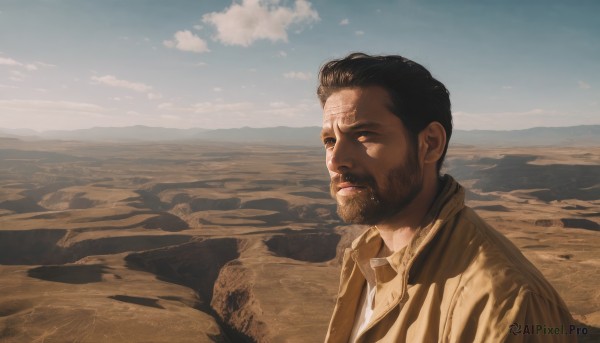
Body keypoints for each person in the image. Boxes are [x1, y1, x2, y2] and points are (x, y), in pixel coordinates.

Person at [318, 53, 576, 342]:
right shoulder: (363, 256)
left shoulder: (507, 302)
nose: (335, 160)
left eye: (364, 134)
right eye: (330, 140)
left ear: (430, 144)